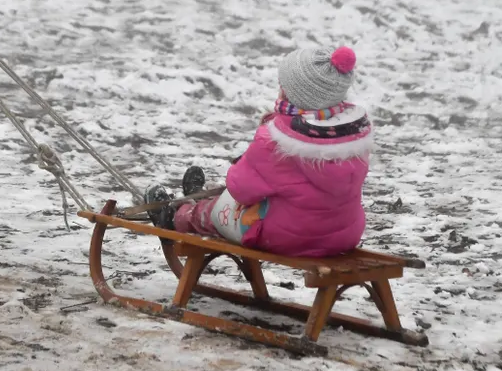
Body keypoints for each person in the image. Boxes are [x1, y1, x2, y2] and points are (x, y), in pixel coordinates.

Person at [147, 46, 371, 258]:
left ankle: (177, 216)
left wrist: (245, 164)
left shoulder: (277, 141)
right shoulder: (352, 137)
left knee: (219, 211)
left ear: (292, 93)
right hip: (343, 235)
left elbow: (240, 190)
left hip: (287, 237)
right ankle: (201, 196)